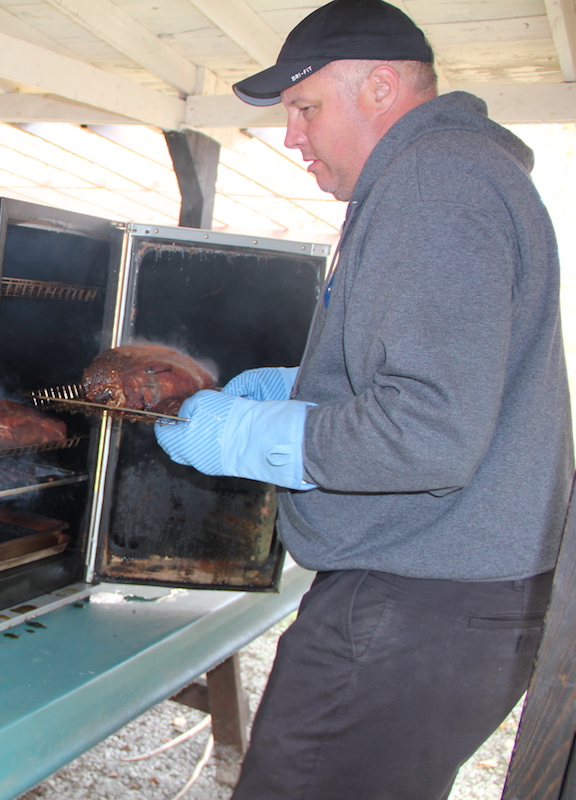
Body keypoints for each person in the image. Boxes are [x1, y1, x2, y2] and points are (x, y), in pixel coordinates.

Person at [153, 0, 574, 797]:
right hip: (446, 598)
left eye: (305, 108)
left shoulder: (432, 179)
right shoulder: (460, 174)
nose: (293, 137)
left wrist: (242, 434)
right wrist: (300, 391)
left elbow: (427, 433)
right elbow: (438, 382)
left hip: (417, 605)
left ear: (381, 87)